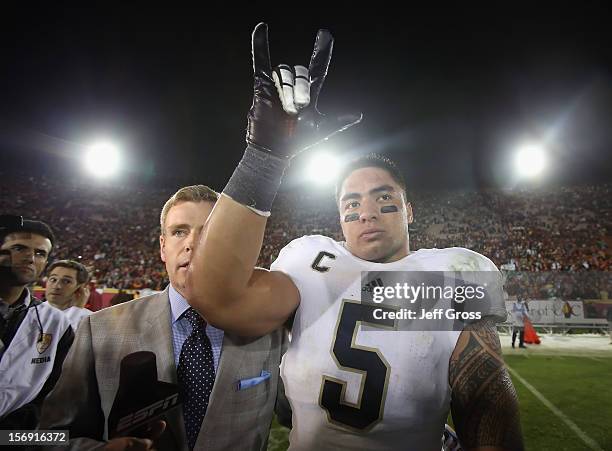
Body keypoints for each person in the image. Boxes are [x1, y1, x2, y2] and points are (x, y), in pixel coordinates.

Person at [184, 24, 524, 450]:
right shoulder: (310, 258)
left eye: (384, 199)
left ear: (409, 210)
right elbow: (217, 298)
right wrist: (264, 156)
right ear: (339, 218)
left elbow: (486, 403)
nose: (366, 212)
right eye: (351, 204)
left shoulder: (451, 271)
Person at [40, 185, 285, 451]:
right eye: (179, 231)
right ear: (163, 246)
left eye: (209, 232)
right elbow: (46, 437)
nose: (191, 243)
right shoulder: (98, 328)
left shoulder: (270, 327)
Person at [0, 216, 74, 430]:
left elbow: (56, 396)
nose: (31, 258)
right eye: (19, 248)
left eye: (40, 253)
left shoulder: (56, 323)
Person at [44, 259, 92, 330]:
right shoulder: (31, 312)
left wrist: (76, 310)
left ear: (80, 288)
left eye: (66, 281)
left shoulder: (90, 320)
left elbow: (60, 337)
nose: (57, 286)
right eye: (53, 279)